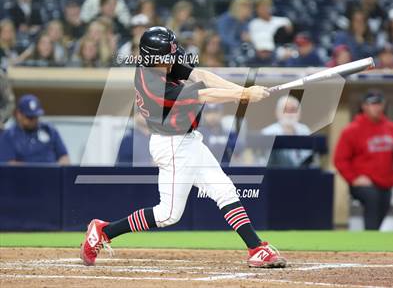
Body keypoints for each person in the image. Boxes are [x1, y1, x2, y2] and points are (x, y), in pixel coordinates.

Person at [80, 26, 286, 269]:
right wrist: (243, 95)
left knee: (225, 191)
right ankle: (104, 231)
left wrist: (244, 91)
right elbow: (204, 94)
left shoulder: (157, 63)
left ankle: (256, 248)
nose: (173, 59)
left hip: (188, 140)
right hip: (172, 146)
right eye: (168, 55)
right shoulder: (156, 86)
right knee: (168, 215)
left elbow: (203, 76)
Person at [334, 89, 393, 230]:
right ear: (364, 106)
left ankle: (373, 235)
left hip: (385, 182)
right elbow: (340, 160)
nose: (377, 107)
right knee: (372, 200)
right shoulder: (352, 130)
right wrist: (354, 178)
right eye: (372, 104)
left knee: (383, 208)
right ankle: (371, 242)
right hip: (363, 183)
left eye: (379, 104)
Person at [0, 94, 70, 165]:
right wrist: (36, 172)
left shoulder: (49, 130)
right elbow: (9, 165)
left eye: (36, 116)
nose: (34, 120)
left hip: (52, 174)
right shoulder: (9, 135)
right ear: (19, 114)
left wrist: (59, 170)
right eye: (30, 117)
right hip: (24, 175)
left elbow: (64, 157)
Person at [262, 95, 311, 167]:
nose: (289, 114)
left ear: (299, 113)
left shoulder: (305, 131)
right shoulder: (267, 133)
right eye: (286, 110)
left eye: (293, 110)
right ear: (277, 113)